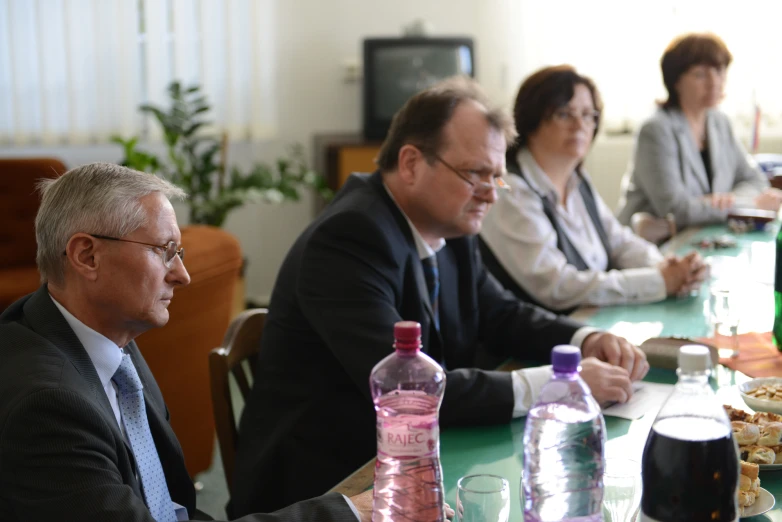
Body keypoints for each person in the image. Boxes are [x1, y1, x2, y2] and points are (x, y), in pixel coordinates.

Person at [231, 77, 649, 516]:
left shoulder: (451, 221)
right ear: (411, 163)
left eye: (496, 178)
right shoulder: (350, 237)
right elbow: (410, 390)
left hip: (418, 455)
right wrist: (556, 386)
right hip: (331, 485)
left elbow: (499, 312)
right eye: (474, 174)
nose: (490, 192)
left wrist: (583, 340)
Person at [0, 163, 373, 521]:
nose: (183, 275)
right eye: (164, 250)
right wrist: (351, 514)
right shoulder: (47, 404)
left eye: (179, 253)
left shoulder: (111, 337)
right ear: (87, 256)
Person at [478, 65, 708, 313]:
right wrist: (659, 280)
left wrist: (671, 267)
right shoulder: (509, 189)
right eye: (564, 114)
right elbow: (556, 286)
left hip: (591, 319)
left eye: (588, 115)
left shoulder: (577, 179)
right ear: (531, 120)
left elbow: (618, 241)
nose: (579, 125)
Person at [617, 32, 782, 228]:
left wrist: (722, 203)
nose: (714, 82)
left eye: (719, 71)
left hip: (703, 234)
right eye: (700, 74)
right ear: (676, 81)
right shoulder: (655, 130)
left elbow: (755, 181)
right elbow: (676, 209)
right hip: (653, 245)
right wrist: (748, 204)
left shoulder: (719, 122)